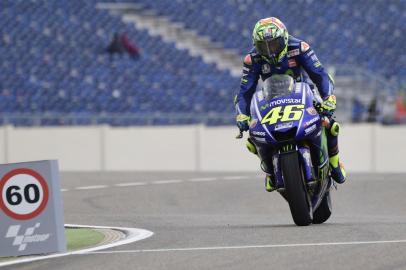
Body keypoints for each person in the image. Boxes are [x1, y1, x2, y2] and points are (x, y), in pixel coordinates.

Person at [234, 17, 346, 191]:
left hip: (304, 94)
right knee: (253, 137)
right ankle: (270, 172)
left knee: (329, 123)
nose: (270, 51)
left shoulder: (300, 47)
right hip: (270, 100)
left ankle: (334, 161)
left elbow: (320, 75)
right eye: (264, 46)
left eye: (274, 44)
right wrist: (242, 114)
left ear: (284, 38)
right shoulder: (252, 59)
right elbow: (245, 91)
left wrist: (328, 98)